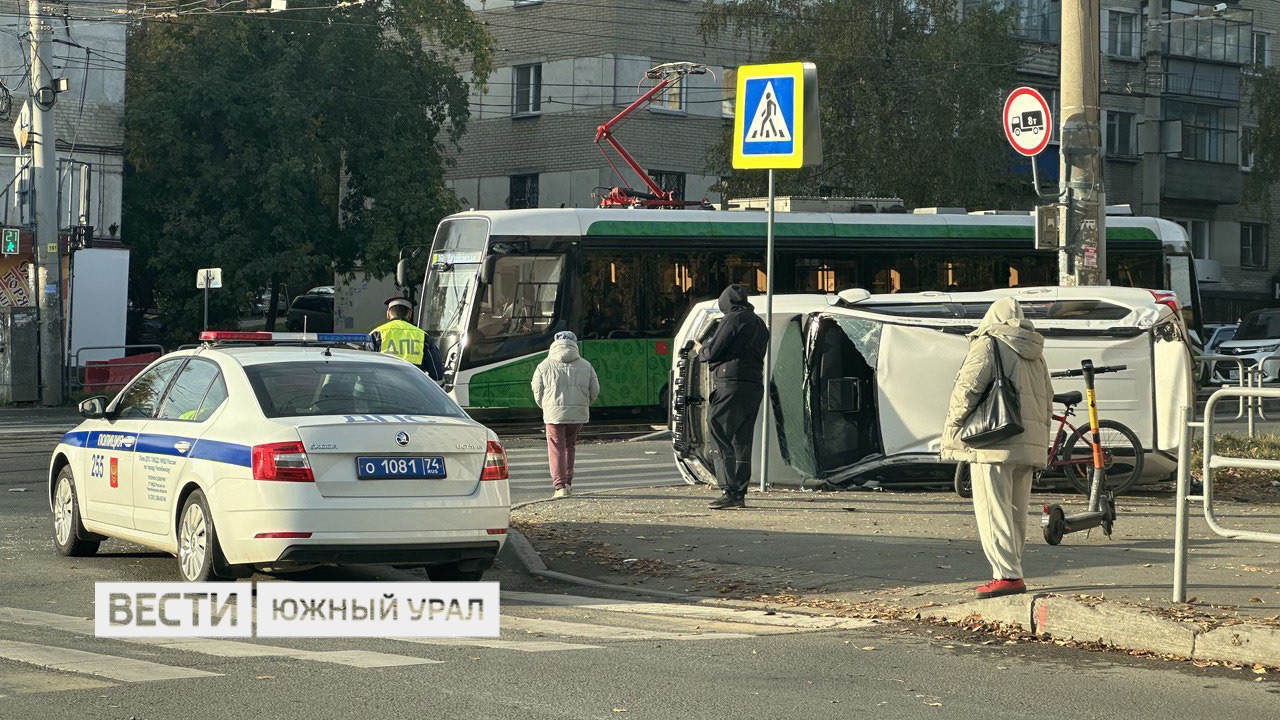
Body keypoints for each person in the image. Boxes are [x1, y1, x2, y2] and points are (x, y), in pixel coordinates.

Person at [941, 297, 1053, 599]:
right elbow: (1047, 400)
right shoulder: (1035, 351)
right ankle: (1012, 570)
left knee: (993, 510)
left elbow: (968, 389)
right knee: (1016, 512)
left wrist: (954, 424)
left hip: (993, 442)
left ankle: (1005, 575)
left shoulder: (989, 343)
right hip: (1026, 444)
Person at [695, 284, 769, 510]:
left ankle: (728, 490)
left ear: (725, 301)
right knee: (742, 440)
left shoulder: (732, 319)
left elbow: (713, 351)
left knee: (718, 431)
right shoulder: (760, 324)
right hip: (754, 385)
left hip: (730, 384)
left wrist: (701, 349)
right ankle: (740, 493)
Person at [532, 331, 600, 498]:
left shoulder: (544, 365)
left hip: (553, 415)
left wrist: (545, 406)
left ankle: (559, 486)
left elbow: (537, 390)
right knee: (570, 446)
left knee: (556, 448)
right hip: (577, 414)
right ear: (574, 344)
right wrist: (583, 404)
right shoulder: (586, 365)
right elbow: (595, 391)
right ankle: (568, 483)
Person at [370, 297, 444, 380]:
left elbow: (365, 367)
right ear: (409, 314)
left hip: (384, 388)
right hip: (413, 390)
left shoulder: (376, 334)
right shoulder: (423, 336)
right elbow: (437, 374)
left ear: (388, 313)